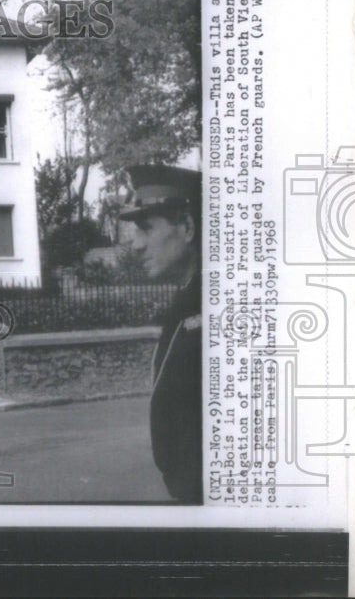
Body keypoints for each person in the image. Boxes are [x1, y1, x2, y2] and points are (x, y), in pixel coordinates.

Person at [119, 165, 202, 504]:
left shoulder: (216, 305)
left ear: (187, 227)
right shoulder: (189, 302)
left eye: (146, 228)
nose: (135, 245)